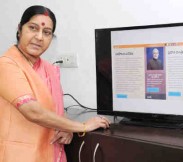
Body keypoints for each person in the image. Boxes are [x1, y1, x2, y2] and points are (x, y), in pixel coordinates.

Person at [0, 5, 110, 162]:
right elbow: (33, 111)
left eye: (46, 33)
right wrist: (82, 127)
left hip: (52, 152)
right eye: (33, 28)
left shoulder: (50, 69)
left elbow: (57, 109)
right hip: (19, 155)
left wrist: (67, 129)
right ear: (19, 29)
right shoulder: (6, 65)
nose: (39, 37)